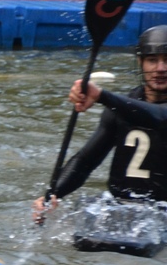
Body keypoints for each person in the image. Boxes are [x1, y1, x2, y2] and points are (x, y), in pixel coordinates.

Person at [35, 26, 167, 221]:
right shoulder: (121, 107)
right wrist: (52, 195)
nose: (160, 69)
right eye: (152, 60)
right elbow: (85, 162)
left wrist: (100, 95)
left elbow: (158, 116)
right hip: (120, 205)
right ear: (140, 62)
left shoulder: (119, 105)